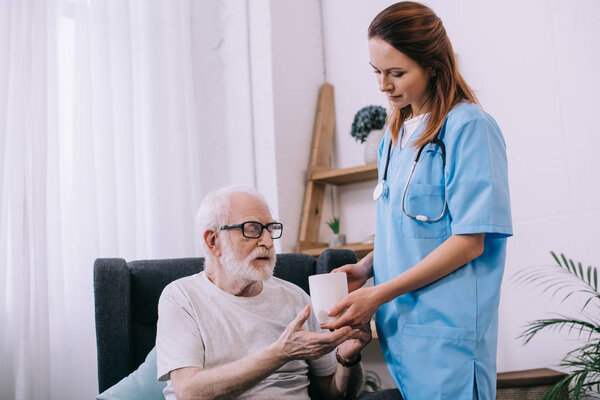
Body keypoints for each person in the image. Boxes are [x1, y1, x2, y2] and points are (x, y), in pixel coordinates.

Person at [322, 2, 513, 399]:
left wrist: (379, 294)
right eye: (377, 72)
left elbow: (468, 240)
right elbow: (411, 230)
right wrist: (367, 268)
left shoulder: (469, 127)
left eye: (397, 73)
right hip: (405, 334)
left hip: (448, 335)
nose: (383, 86)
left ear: (433, 66)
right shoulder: (394, 139)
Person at [156, 185, 370, 400]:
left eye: (270, 228)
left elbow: (338, 395)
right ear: (213, 241)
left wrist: (347, 357)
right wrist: (281, 353)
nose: (268, 242)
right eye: (252, 228)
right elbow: (189, 393)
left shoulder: (295, 298)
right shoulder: (181, 297)